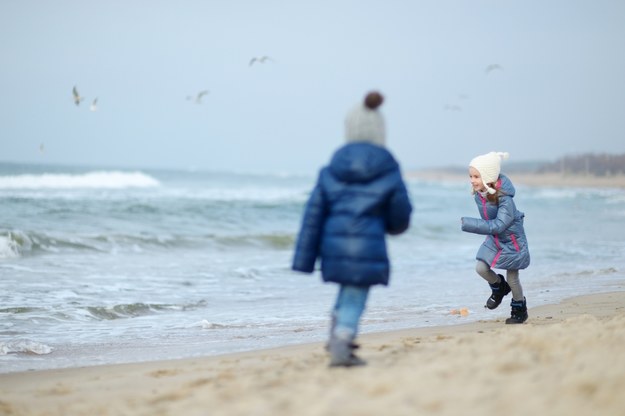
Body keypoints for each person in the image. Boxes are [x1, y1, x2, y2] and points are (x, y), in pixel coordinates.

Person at [292, 91, 412, 367]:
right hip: (368, 244)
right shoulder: (388, 167)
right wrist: (395, 227)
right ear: (380, 131)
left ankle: (336, 336)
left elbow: (313, 214)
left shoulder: (331, 168)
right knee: (356, 294)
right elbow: (400, 210)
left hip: (333, 246)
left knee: (347, 290)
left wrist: (305, 258)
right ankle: (343, 341)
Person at [461, 151, 530, 324]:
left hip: (512, 241)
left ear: (488, 177)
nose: (472, 180)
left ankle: (519, 309)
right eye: (471, 176)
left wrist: (469, 224)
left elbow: (499, 224)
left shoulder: (506, 200)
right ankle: (499, 288)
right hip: (495, 238)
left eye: (476, 176)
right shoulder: (480, 194)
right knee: (481, 268)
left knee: (512, 279)